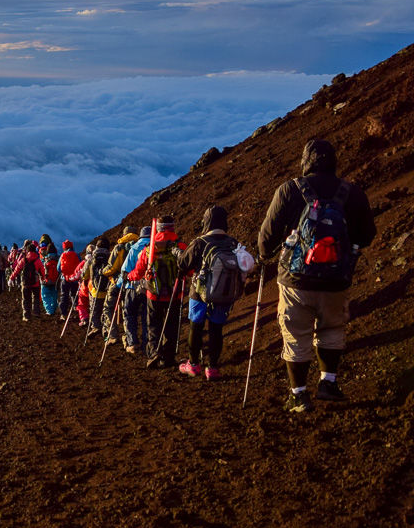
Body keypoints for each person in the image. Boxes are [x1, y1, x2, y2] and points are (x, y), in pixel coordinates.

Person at [258, 139, 375, 413]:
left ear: (305, 160)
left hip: (295, 279)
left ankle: (298, 394)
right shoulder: (352, 192)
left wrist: (267, 254)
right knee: (331, 329)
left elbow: (266, 238)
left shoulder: (290, 190)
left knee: (296, 333)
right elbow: (367, 233)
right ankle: (329, 383)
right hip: (336, 279)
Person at [176, 205, 249, 380]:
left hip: (199, 294)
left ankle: (193, 365)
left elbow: (183, 264)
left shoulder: (200, 242)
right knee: (216, 329)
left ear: (206, 221)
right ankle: (212, 368)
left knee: (196, 326)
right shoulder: (233, 243)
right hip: (223, 294)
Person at [127, 216, 187, 367]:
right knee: (172, 326)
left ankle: (154, 354)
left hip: (153, 294)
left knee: (153, 325)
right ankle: (168, 357)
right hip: (175, 294)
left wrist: (129, 276)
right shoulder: (180, 247)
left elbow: (139, 272)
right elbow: (190, 269)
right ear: (172, 227)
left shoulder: (149, 249)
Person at [101, 227, 138, 343]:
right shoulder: (139, 245)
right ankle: (129, 339)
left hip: (117, 282)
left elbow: (112, 268)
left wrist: (103, 272)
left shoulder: (120, 247)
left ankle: (113, 335)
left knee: (108, 307)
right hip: (134, 283)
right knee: (126, 310)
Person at [120, 226, 152, 354]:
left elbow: (125, 270)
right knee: (146, 316)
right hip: (149, 288)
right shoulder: (154, 247)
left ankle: (132, 343)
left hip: (132, 287)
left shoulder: (134, 248)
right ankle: (147, 343)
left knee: (130, 315)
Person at [83, 237, 112, 338]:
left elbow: (84, 275)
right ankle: (106, 329)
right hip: (107, 290)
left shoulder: (92, 258)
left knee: (94, 310)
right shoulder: (110, 256)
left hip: (94, 290)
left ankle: (95, 326)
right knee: (106, 310)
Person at [11, 240, 46, 321]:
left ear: (27, 250)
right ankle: (36, 312)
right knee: (36, 298)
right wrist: (43, 279)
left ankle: (26, 315)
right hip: (35, 283)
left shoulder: (24, 260)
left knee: (26, 299)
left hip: (25, 283)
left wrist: (11, 278)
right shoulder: (38, 260)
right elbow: (42, 271)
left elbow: (17, 269)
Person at [57, 239, 82, 321]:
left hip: (65, 279)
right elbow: (81, 266)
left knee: (64, 296)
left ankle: (63, 314)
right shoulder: (76, 255)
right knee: (75, 295)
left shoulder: (62, 255)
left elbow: (58, 268)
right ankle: (78, 311)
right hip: (74, 279)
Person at [39, 236, 61, 316]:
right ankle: (54, 308)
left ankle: (49, 310)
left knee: (45, 296)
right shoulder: (58, 258)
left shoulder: (45, 259)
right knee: (54, 295)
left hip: (46, 281)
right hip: (55, 281)